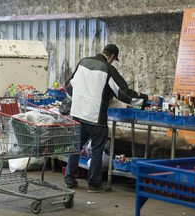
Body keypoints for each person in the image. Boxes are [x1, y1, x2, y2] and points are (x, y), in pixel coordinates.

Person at [64, 44, 158, 192]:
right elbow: (123, 93)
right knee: (96, 151)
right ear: (112, 57)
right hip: (95, 118)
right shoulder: (108, 69)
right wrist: (144, 99)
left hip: (77, 114)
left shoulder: (83, 62)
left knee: (75, 146)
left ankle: (69, 178)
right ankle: (94, 184)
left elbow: (69, 86)